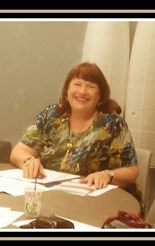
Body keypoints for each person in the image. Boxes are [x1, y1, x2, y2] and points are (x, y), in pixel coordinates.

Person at [10, 62, 139, 192]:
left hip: (98, 199)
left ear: (100, 96)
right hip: (53, 194)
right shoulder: (51, 115)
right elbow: (18, 152)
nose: (82, 91)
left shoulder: (112, 124)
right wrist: (28, 161)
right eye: (77, 84)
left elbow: (131, 171)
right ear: (67, 91)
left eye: (90, 87)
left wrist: (107, 174)